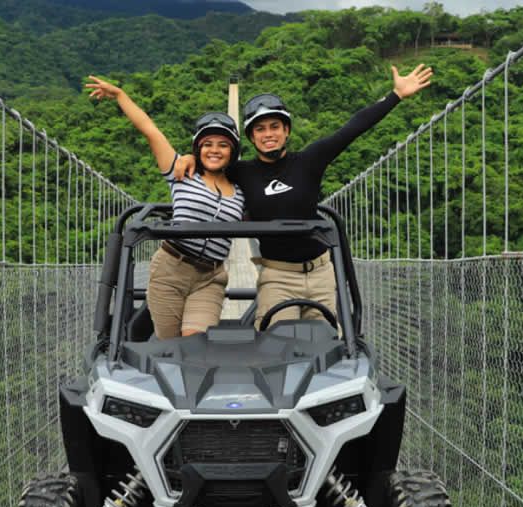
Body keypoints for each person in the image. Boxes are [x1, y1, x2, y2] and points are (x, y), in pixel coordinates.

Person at [176, 64, 433, 330]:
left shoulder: (310, 160)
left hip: (321, 273)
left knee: (324, 344)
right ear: (252, 137)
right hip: (277, 276)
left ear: (286, 130)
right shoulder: (242, 172)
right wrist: (189, 157)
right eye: (260, 129)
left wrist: (396, 96)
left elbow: (351, 129)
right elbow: (214, 159)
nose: (268, 134)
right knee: (276, 343)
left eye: (275, 126)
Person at [86, 76, 245, 339]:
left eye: (223, 145)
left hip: (211, 276)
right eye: (207, 144)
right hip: (171, 268)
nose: (214, 150)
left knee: (195, 344)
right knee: (170, 346)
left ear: (233, 150)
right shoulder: (182, 174)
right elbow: (150, 130)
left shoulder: (240, 189)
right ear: (198, 148)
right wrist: (120, 95)